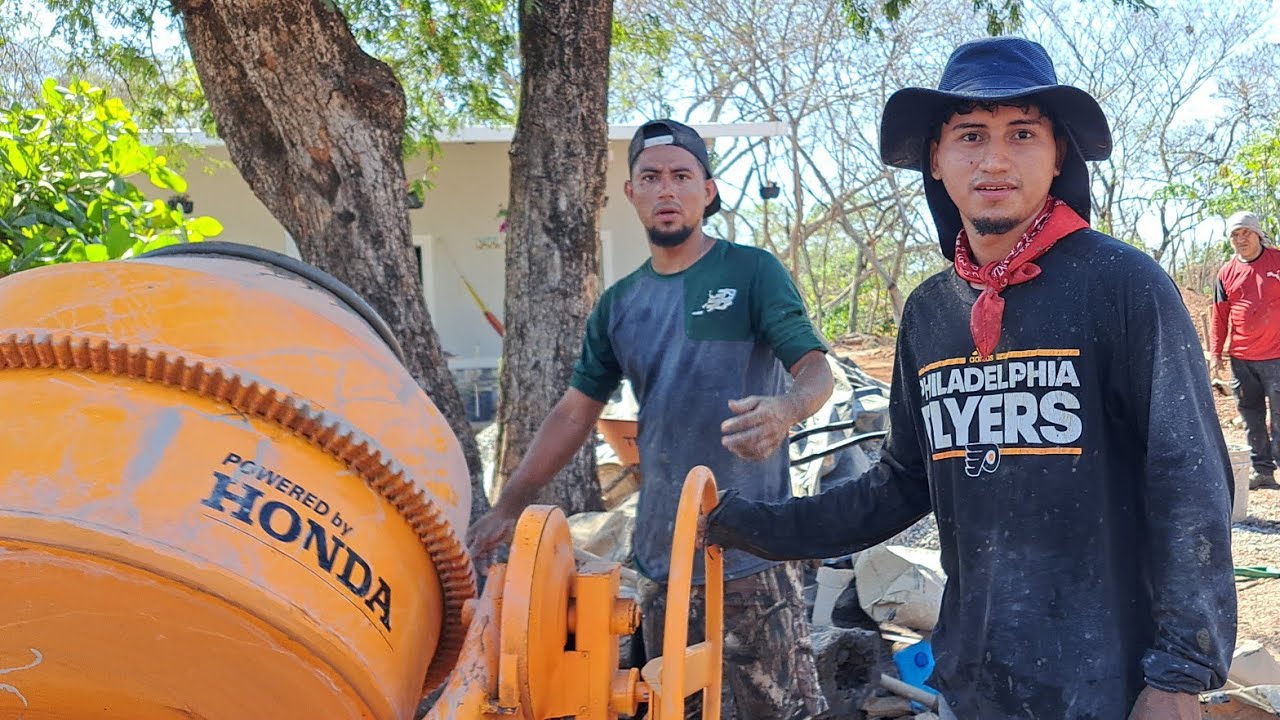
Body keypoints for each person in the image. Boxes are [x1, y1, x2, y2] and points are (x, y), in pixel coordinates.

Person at [705, 37, 1236, 720]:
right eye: (969, 135)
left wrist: (1180, 674)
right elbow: (900, 483)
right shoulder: (931, 313)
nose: (994, 159)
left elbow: (1189, 482)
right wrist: (747, 526)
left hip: (1109, 686)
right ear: (935, 156)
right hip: (972, 683)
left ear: (1058, 154)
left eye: (1022, 133)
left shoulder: (1124, 287)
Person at [468, 119, 833, 720]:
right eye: (652, 177)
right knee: (668, 710)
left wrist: (786, 409)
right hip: (662, 560)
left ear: (707, 191)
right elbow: (573, 412)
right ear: (631, 193)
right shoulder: (619, 306)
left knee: (785, 712)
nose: (668, 190)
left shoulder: (751, 273)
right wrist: (508, 506)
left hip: (751, 558)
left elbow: (815, 369)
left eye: (682, 176)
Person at [1211, 210, 1280, 489]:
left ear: (1258, 234)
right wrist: (1215, 353)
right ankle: (1262, 471)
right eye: (1235, 235)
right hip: (1242, 358)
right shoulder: (1226, 273)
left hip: (1277, 356)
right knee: (1251, 418)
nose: (1241, 239)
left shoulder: (1277, 261)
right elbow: (1219, 315)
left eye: (1246, 232)